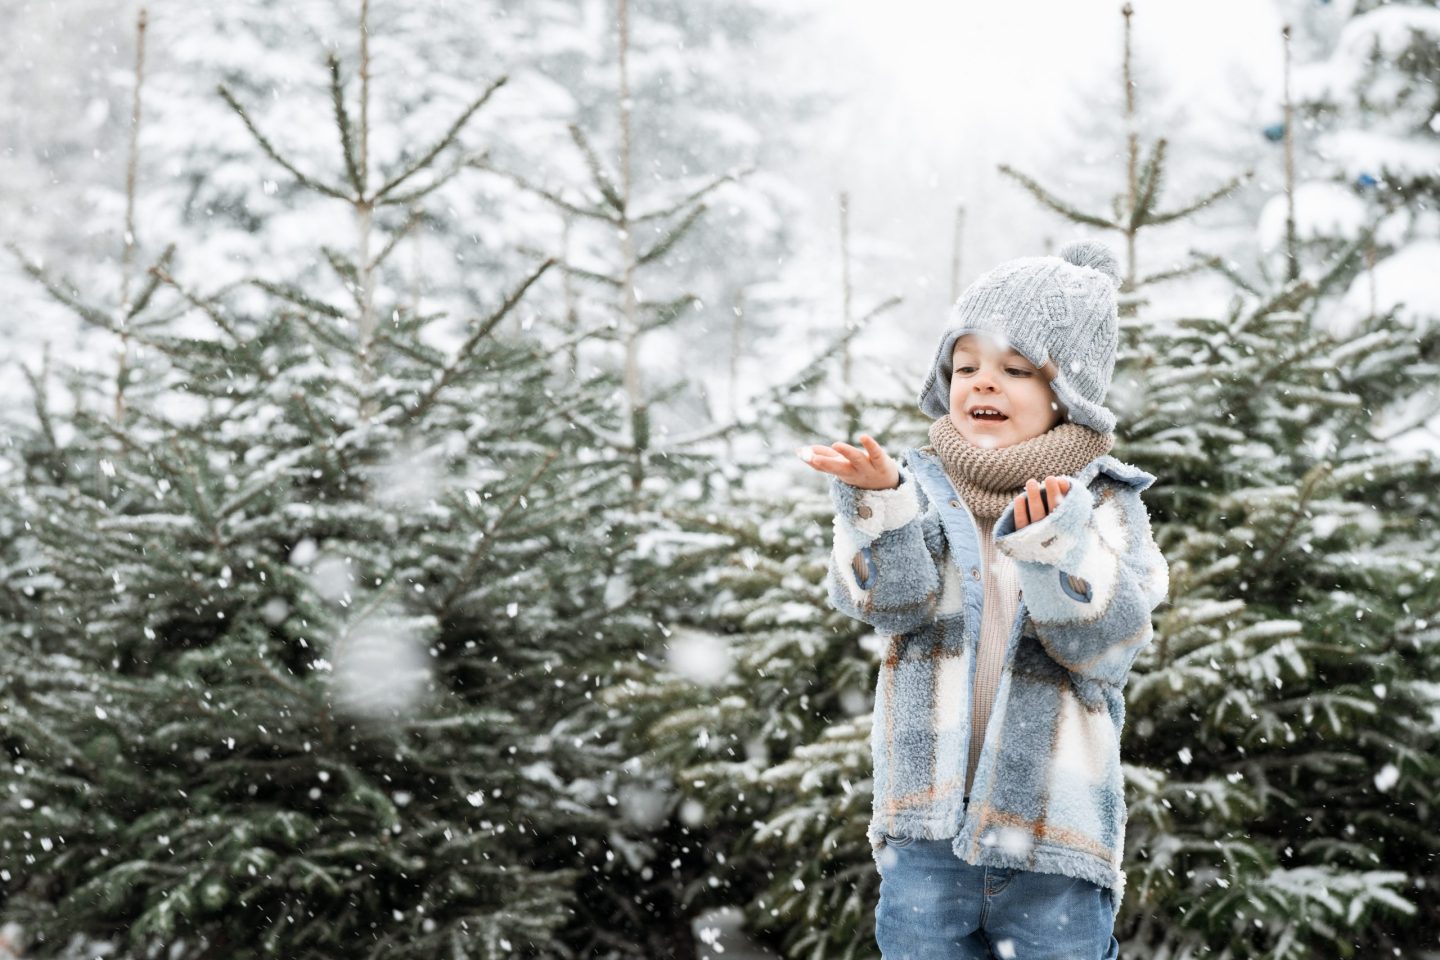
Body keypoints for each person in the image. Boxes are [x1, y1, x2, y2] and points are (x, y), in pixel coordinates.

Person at [797, 240, 1169, 959]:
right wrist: (880, 508)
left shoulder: (1106, 504)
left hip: (1053, 834)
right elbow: (883, 602)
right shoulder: (918, 487)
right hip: (925, 829)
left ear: (1071, 391)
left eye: (1013, 368)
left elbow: (1109, 645)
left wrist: (1058, 541)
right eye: (965, 366)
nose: (982, 384)